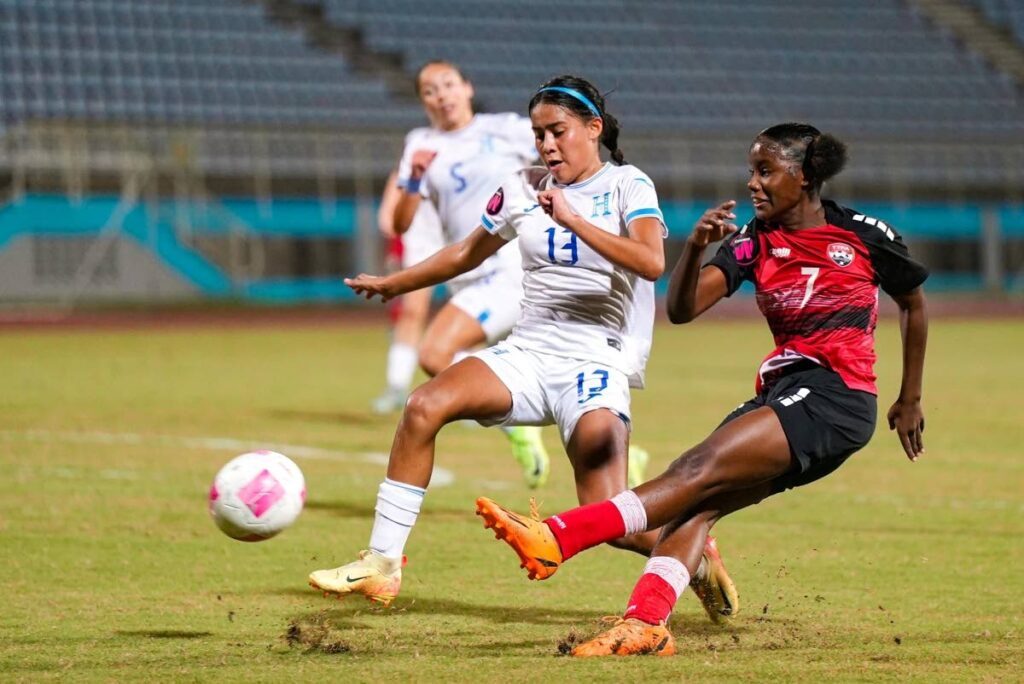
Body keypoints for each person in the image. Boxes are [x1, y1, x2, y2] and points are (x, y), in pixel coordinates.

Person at [476, 122, 930, 657]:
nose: (753, 183)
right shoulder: (752, 242)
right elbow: (683, 309)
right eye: (750, 171)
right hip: (784, 391)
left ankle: (560, 536)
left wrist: (910, 397)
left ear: (805, 177)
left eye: (766, 171)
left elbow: (914, 304)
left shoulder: (863, 233)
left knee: (693, 471)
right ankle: (646, 624)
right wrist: (693, 247)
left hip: (836, 395)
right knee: (697, 505)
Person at [308, 75, 708, 610]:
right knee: (424, 405)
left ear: (593, 129)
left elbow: (652, 262)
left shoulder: (629, 186)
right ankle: (381, 565)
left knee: (609, 517)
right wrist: (393, 283)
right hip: (528, 353)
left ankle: (696, 556)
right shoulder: (522, 185)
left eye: (558, 131)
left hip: (595, 362)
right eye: (539, 133)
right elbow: (466, 252)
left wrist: (572, 218)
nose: (546, 144)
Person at [388, 59, 552, 488]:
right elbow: (403, 222)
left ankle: (517, 423)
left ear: (467, 87)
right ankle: (625, 459)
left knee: (434, 354)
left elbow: (563, 153)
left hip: (511, 266)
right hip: (467, 273)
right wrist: (414, 179)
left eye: (447, 85)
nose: (441, 95)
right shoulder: (420, 143)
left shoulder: (505, 128)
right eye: (429, 90)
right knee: (548, 375)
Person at [371, 170, 443, 415]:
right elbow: (387, 219)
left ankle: (477, 395)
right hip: (423, 240)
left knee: (473, 315)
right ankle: (396, 386)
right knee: (412, 312)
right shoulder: (417, 155)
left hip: (462, 236)